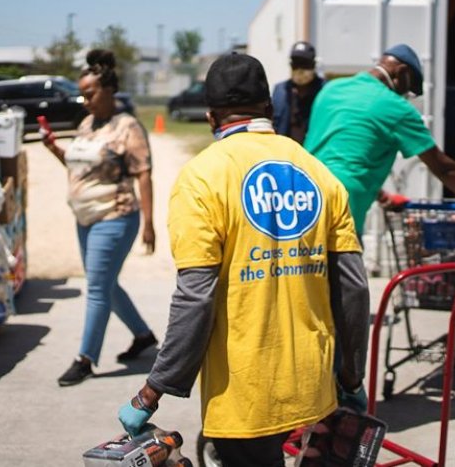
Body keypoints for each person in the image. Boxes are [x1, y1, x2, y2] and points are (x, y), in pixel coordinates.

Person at [116, 53, 371, 467]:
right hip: (312, 384)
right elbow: (353, 289)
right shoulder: (319, 174)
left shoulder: (201, 179)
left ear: (211, 118)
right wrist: (351, 375)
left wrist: (153, 391)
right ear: (270, 110)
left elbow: (195, 299)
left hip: (245, 394)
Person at [41, 48, 158, 387]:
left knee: (96, 286)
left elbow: (144, 174)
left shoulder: (128, 127)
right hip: (86, 219)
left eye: (89, 94)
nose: (85, 100)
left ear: (108, 90)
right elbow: (82, 170)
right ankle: (143, 335)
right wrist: (55, 150)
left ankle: (85, 359)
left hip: (116, 216)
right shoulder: (86, 125)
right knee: (105, 283)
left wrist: (149, 223)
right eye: (82, 95)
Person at [303, 43, 455, 236]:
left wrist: (380, 194)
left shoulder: (331, 89)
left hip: (302, 194)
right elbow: (444, 168)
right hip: (343, 205)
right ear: (401, 72)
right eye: (408, 89)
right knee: (344, 263)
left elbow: (341, 151)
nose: (405, 95)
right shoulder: (397, 108)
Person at [271, 41, 325, 144]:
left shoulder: (325, 90)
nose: (300, 69)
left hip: (314, 153)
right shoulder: (280, 91)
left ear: (313, 65)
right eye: (296, 64)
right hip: (285, 153)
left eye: (304, 64)